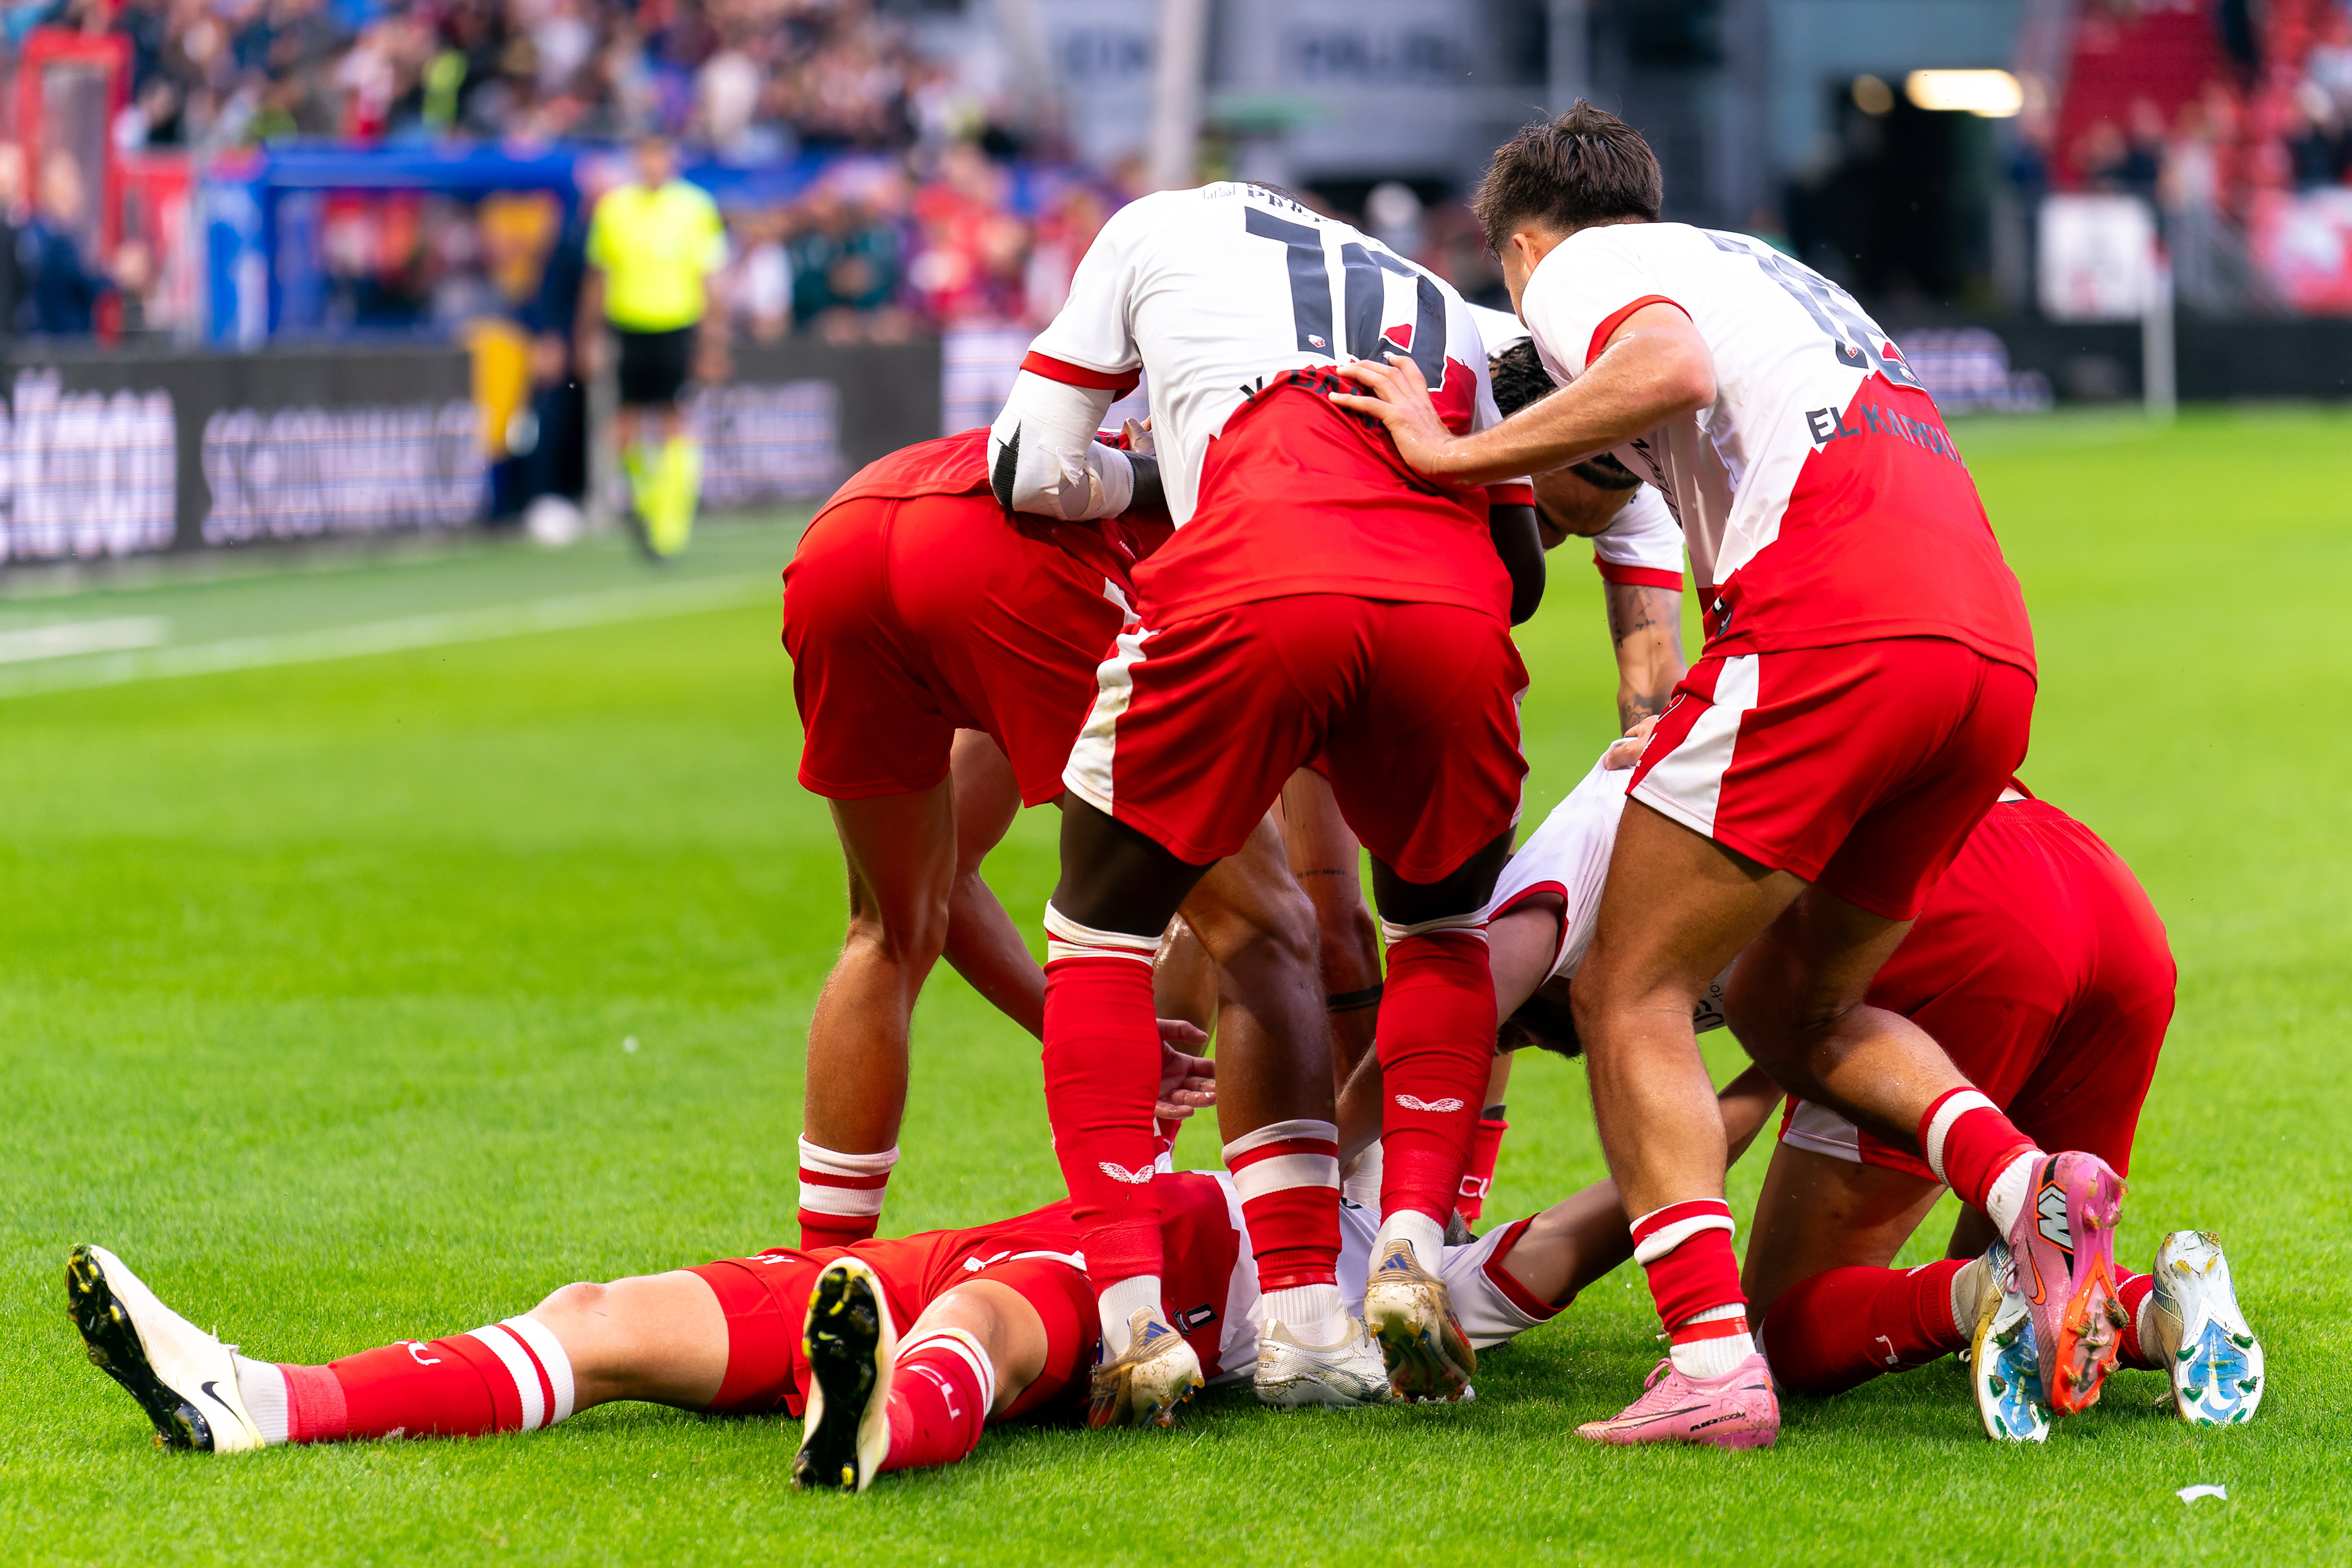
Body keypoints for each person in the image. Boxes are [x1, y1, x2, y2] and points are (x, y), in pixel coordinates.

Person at [1328, 102, 2109, 1451]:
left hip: (1827, 623)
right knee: (1786, 1008)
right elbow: (1666, 445)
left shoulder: (1579, 271)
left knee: (1622, 986)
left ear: (1516, 247)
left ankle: (1706, 1363)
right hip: (1983, 649)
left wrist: (1443, 454)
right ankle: (2020, 1180)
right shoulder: (1755, 261)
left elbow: (1668, 372)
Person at [987, 180, 1545, 1423]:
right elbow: (1520, 573)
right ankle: (1399, 1249)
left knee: (1101, 934)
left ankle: (1134, 1317)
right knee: (1442, 932)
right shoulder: (1440, 304)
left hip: (1258, 562)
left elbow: (1025, 465)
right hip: (1445, 612)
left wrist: (1144, 481)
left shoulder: (1153, 225)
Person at [780, 426, 1361, 1410]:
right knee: (1266, 921)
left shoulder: (1172, 418)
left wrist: (1070, 1020)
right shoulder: (1274, 505)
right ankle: (1298, 1314)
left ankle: (818, 1287)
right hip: (1016, 559)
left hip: (854, 525)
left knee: (886, 929)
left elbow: (951, 877)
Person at [1470, 738, 2261, 1443]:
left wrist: (1400, 1221)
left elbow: (1443, 1029)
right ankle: (2165, 1315)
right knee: (2018, 1281)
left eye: (1528, 1030)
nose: (1530, 1043)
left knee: (1777, 1326)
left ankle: (1998, 1284)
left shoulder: (1573, 898)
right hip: (2095, 885)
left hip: (1955, 910)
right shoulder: (1722, 723)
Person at [65, 1132, 1638, 1484]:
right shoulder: (1332, 1128)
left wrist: (1715, 1099)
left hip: (1107, 1297)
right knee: (599, 1311)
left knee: (994, 1327)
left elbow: (1587, 1230)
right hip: (946, 1254)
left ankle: (870, 1418)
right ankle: (262, 1398)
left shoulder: (1420, 1275)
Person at [581, 134, 729, 558]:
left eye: (659, 156)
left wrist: (712, 341)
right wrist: (587, 336)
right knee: (624, 422)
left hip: (677, 325)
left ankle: (672, 520)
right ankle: (643, 500)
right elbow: (598, 276)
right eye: (645, 156)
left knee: (672, 418)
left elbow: (710, 278)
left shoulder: (694, 207)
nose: (652, 164)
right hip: (627, 326)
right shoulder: (614, 208)